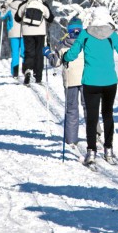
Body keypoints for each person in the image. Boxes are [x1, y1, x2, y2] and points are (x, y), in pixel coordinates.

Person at [62, 6, 118, 165]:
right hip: (110, 82)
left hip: (90, 82)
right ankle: (108, 149)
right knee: (108, 114)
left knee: (92, 117)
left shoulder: (85, 34)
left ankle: (91, 152)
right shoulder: (112, 35)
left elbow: (72, 53)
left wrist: (65, 58)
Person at [47, 17, 86, 148]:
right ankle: (95, 134)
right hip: (87, 79)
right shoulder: (86, 43)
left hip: (70, 80)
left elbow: (56, 63)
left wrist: (47, 54)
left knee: (71, 109)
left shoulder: (63, 44)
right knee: (89, 107)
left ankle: (70, 139)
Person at [15, 0, 54, 85]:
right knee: (39, 54)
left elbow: (17, 18)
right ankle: (38, 77)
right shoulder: (42, 4)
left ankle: (28, 71)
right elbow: (50, 18)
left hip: (27, 33)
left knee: (29, 52)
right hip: (40, 33)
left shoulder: (24, 4)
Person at [0, 0, 25, 78]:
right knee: (24, 52)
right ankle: (26, 70)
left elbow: (2, 16)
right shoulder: (25, 5)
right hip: (24, 32)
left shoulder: (10, 7)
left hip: (13, 32)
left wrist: (2, 9)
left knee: (15, 53)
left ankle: (15, 72)